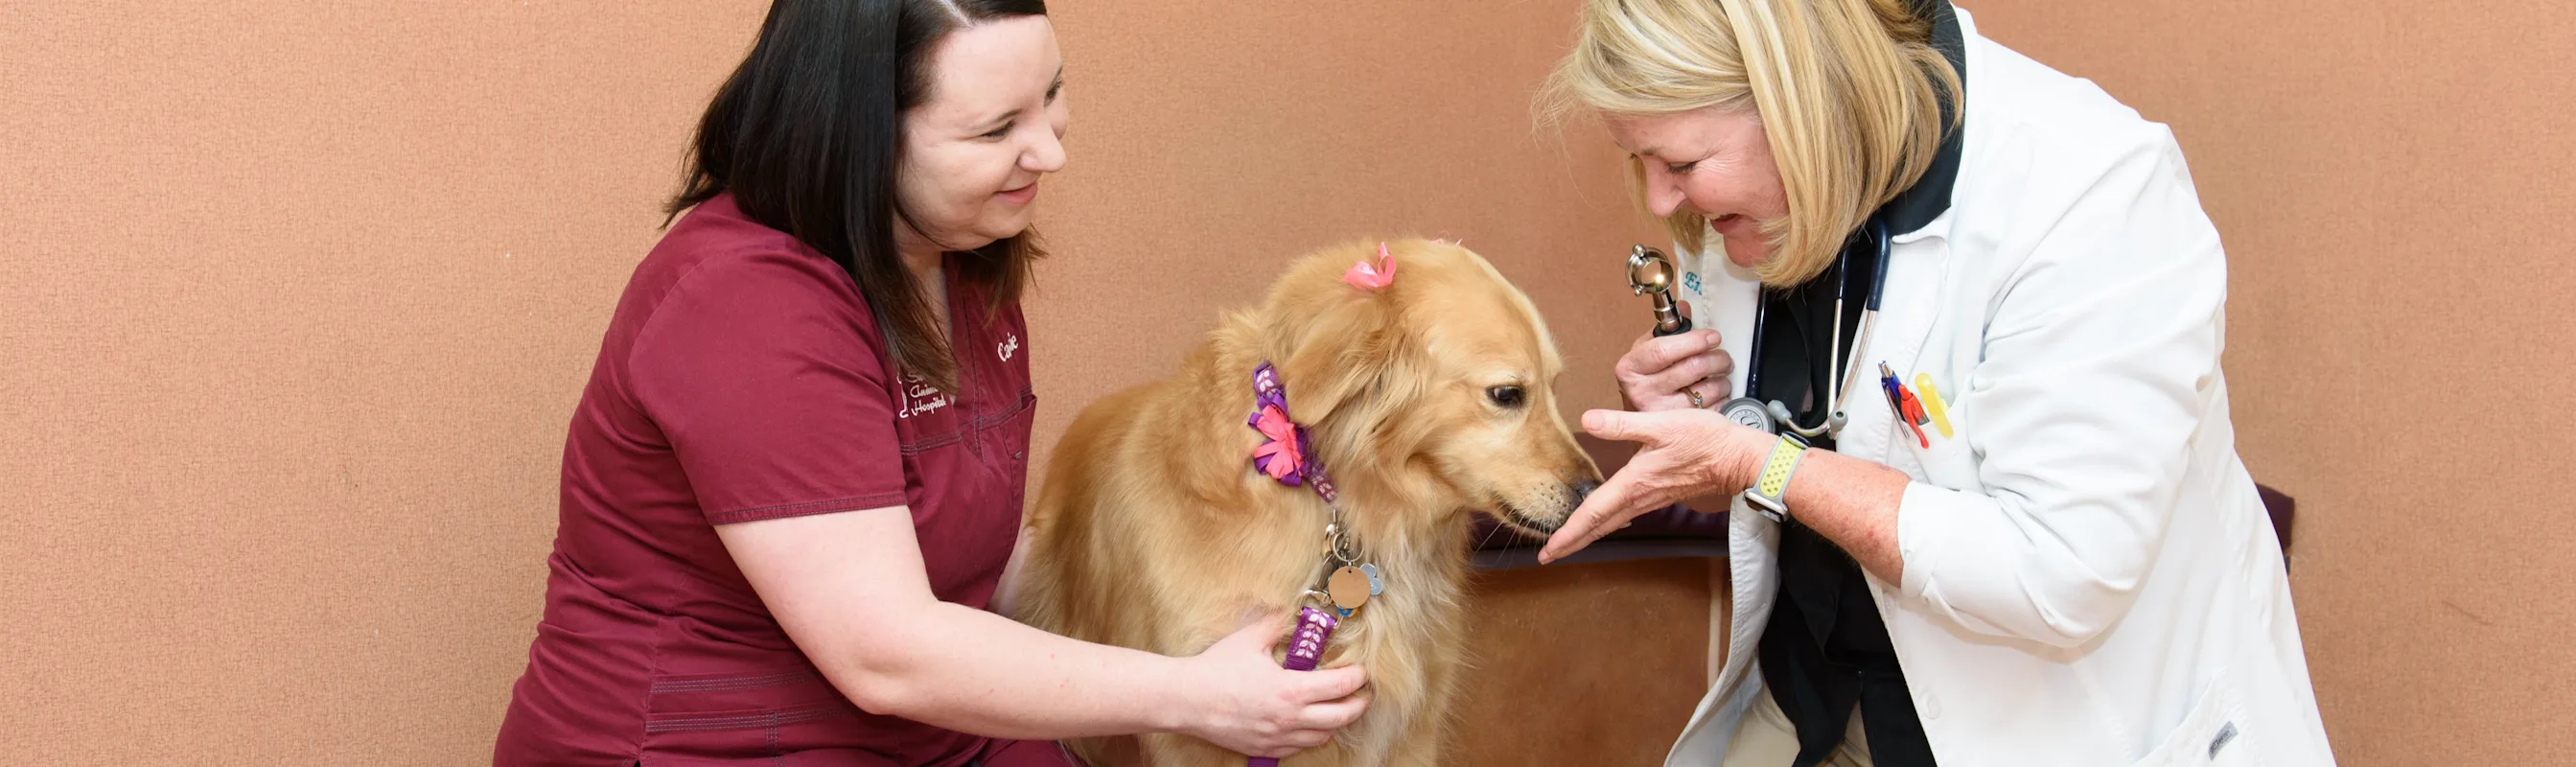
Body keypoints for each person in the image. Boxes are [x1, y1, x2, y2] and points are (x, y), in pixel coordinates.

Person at [492, 2, 1366, 764]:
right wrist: (1194, 695)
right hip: (710, 744)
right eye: (996, 130)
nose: (1048, 151)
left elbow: (973, 569)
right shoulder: (745, 304)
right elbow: (889, 653)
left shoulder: (962, 267)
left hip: (928, 733)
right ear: (857, 135)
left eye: (1052, 96)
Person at [1535, 1, 2336, 764]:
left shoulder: (2090, 190)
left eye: (1679, 163)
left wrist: (1757, 463)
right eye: (1639, 161)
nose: (1659, 198)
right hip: (1816, 701)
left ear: (1800, 103)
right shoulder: (1760, 198)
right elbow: (1777, 445)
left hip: (2055, 728)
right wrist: (1708, 422)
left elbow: (2058, 571)